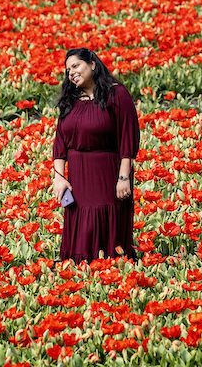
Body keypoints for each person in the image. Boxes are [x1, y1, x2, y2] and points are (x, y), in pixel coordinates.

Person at [52, 48, 140, 262]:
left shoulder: (116, 94)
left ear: (92, 64)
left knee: (104, 219)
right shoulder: (71, 100)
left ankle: (109, 267)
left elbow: (127, 138)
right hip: (78, 175)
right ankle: (82, 269)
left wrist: (123, 178)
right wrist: (59, 177)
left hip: (107, 171)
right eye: (67, 70)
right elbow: (60, 141)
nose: (71, 72)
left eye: (75, 66)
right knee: (80, 223)